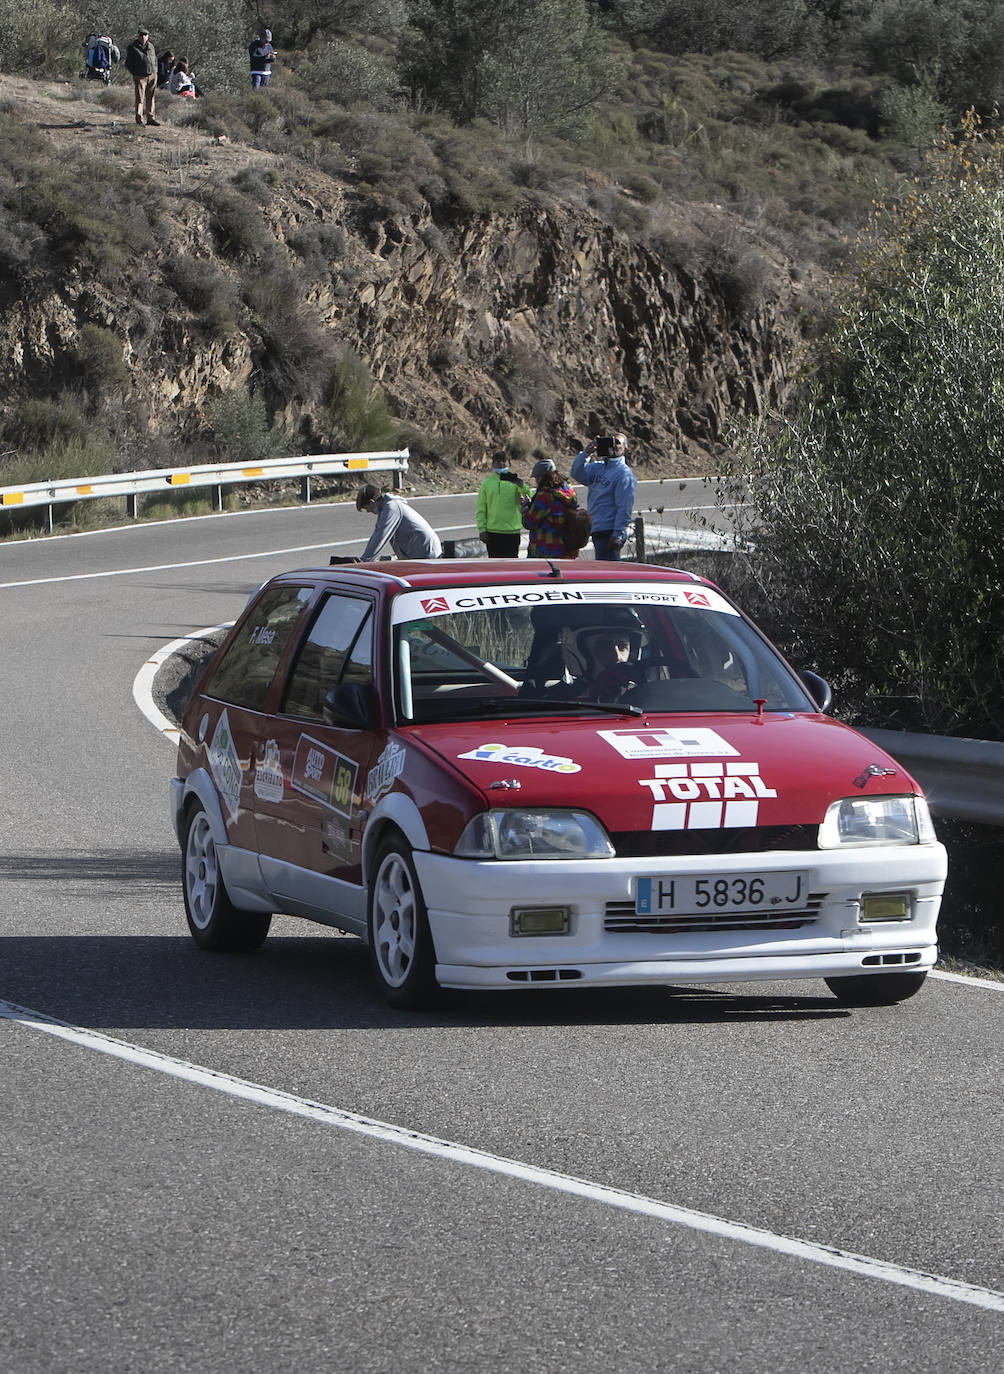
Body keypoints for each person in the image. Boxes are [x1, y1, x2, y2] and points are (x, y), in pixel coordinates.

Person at [570, 431, 637, 560]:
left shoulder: (624, 474)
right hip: (596, 527)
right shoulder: (598, 468)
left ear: (625, 448)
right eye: (611, 441)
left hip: (609, 530)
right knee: (602, 567)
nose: (614, 445)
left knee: (609, 569)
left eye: (618, 443)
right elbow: (576, 473)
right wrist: (586, 453)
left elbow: (624, 507)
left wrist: (618, 534)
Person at [355, 484, 442, 560]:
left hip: (426, 550)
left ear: (371, 502)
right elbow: (376, 534)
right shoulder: (385, 509)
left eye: (366, 508)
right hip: (418, 550)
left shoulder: (391, 508)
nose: (368, 511)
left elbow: (381, 536)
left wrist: (364, 560)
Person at [476, 452, 532, 557]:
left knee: (511, 564)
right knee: (494, 564)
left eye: (503, 461)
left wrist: (522, 485)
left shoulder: (515, 481)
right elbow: (481, 508)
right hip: (493, 531)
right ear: (493, 464)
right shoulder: (487, 483)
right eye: (498, 461)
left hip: (512, 531)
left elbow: (530, 498)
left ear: (508, 463)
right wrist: (482, 529)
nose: (501, 464)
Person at [521, 458, 579, 559]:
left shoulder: (545, 496)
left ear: (542, 477)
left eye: (537, 478)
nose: (536, 481)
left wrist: (525, 508)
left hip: (545, 550)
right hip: (566, 549)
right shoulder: (569, 491)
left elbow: (529, 522)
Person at [125, 27, 159, 126]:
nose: (143, 37)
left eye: (145, 35)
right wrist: (135, 73)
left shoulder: (151, 46)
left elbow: (155, 59)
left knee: (151, 97)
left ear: (148, 36)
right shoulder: (133, 47)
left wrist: (155, 71)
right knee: (140, 98)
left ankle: (151, 118)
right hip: (140, 76)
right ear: (138, 36)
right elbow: (128, 63)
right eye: (141, 35)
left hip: (152, 75)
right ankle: (139, 119)